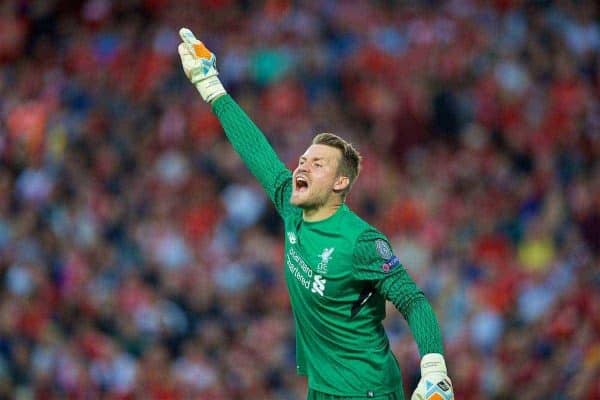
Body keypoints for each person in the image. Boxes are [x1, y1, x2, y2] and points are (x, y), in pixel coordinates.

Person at [177, 28, 454, 400]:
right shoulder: (292, 209)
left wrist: (433, 368)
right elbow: (256, 148)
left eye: (317, 164)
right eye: (303, 159)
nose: (301, 167)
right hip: (322, 389)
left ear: (340, 183)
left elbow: (413, 301)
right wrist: (211, 86)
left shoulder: (361, 241)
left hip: (366, 391)